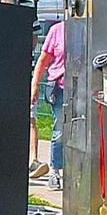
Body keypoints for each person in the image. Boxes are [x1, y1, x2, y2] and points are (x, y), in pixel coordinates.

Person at [30, 18, 65, 189]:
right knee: (60, 131)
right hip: (59, 87)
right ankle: (55, 170)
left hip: (82, 88)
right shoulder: (56, 31)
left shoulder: (88, 30)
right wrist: (35, 85)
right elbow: (42, 61)